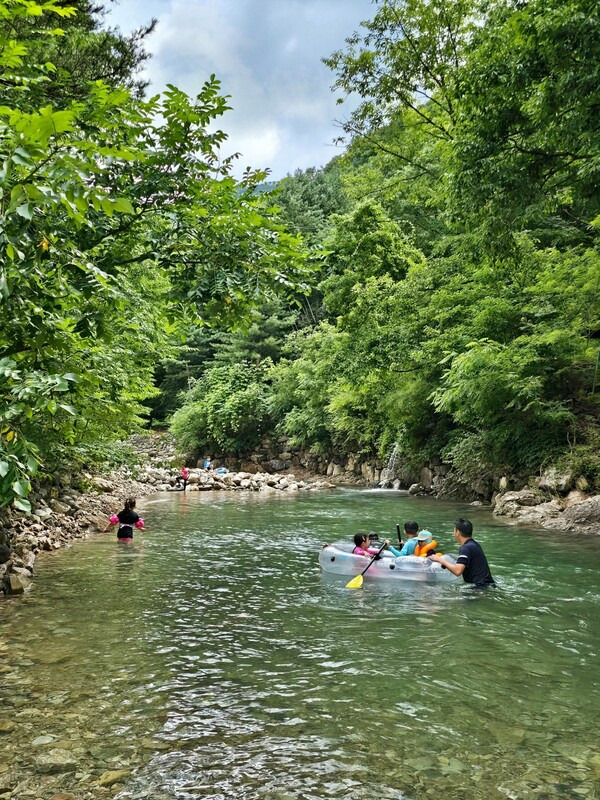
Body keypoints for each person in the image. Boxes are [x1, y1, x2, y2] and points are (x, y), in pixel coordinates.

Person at [429, 518, 495, 588]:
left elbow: (458, 571)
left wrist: (440, 560)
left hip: (479, 588)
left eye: (454, 530)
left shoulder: (466, 548)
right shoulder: (474, 544)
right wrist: (445, 563)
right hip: (486, 585)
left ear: (457, 532)